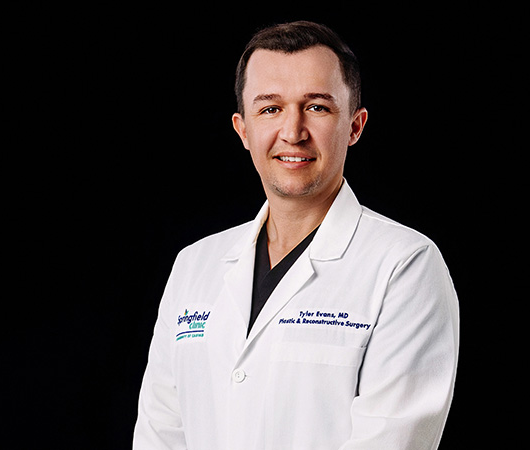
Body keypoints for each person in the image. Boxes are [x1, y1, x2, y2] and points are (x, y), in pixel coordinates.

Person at [133, 21, 459, 449]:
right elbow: (159, 434)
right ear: (243, 129)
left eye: (317, 107)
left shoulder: (405, 266)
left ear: (355, 126)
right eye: (270, 109)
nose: (292, 132)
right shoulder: (194, 265)